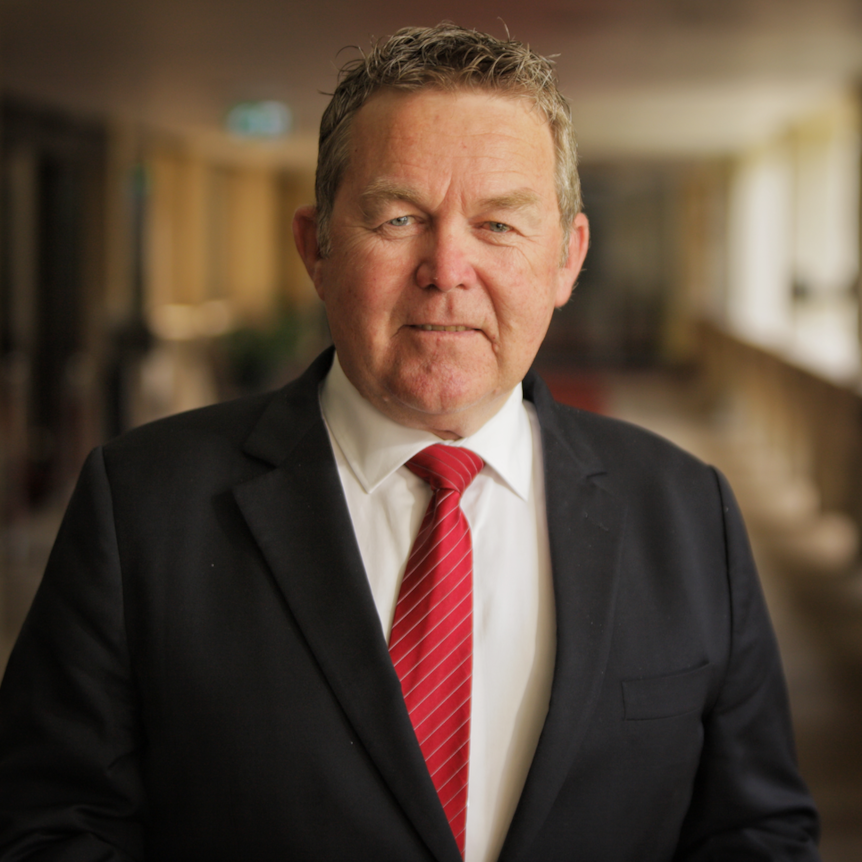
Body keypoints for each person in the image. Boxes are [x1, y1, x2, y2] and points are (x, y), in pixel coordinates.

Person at [0, 23, 820, 862]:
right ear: (315, 246)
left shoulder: (691, 514)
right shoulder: (140, 506)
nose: (447, 267)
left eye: (499, 225)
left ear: (568, 259)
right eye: (399, 218)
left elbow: (755, 831)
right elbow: (48, 826)